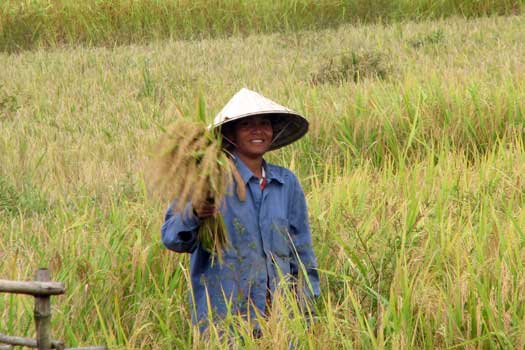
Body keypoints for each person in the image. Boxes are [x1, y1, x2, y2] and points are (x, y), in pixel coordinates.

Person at [161, 88, 320, 334]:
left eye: (264, 123)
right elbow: (172, 237)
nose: (258, 130)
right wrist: (195, 212)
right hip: (225, 320)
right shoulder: (208, 180)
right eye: (247, 124)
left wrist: (307, 309)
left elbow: (302, 251)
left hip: (280, 320)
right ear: (231, 134)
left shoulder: (286, 183)